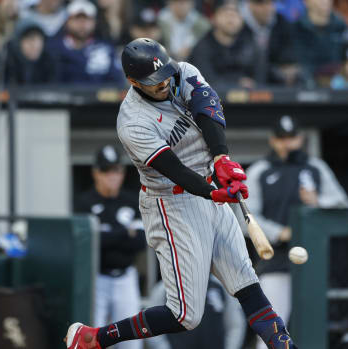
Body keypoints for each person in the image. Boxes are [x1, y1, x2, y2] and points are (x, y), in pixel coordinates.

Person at [64, 38, 297, 349]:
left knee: (248, 283)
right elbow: (173, 169)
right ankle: (94, 338)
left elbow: (207, 110)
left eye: (164, 75)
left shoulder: (183, 71)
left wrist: (221, 157)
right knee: (185, 315)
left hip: (206, 186)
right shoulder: (132, 121)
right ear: (133, 81)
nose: (162, 84)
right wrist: (214, 192)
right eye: (152, 81)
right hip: (171, 203)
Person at [244, 115, 348, 349]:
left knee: (313, 328)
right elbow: (246, 217)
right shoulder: (261, 170)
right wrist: (280, 232)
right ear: (273, 141)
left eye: (291, 138)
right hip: (276, 261)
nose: (287, 144)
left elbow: (344, 204)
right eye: (282, 139)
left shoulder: (315, 167)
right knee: (271, 329)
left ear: (300, 139)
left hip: (315, 263)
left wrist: (318, 201)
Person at [74, 145, 146, 349]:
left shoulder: (131, 201)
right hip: (97, 278)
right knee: (92, 337)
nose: (112, 176)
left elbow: (140, 242)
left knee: (131, 340)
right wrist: (124, 232)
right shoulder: (85, 203)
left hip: (125, 276)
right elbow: (89, 244)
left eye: (117, 170)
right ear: (96, 173)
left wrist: (106, 235)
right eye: (106, 171)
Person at [48, 0, 124, 85]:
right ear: (67, 22)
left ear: (94, 23)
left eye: (87, 19)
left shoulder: (106, 49)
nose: (82, 24)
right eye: (77, 19)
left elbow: (116, 82)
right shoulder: (53, 48)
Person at [191, 0, 262, 89]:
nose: (231, 19)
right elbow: (206, 82)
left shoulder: (251, 46)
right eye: (225, 13)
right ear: (213, 18)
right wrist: (237, 82)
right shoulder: (201, 48)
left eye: (235, 13)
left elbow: (260, 81)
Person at [240, 0, 302, 86]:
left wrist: (289, 67)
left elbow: (289, 53)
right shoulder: (239, 25)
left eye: (270, 3)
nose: (267, 8)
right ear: (250, 5)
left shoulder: (281, 22)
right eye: (262, 4)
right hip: (246, 79)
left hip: (276, 79)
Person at [292, 0, 347, 85]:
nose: (325, 1)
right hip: (305, 81)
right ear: (306, 2)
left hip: (338, 80)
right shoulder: (296, 28)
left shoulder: (341, 26)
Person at [0, 19, 58, 85]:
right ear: (18, 43)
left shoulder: (49, 61)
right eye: (30, 39)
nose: (36, 45)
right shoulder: (6, 62)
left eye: (40, 40)